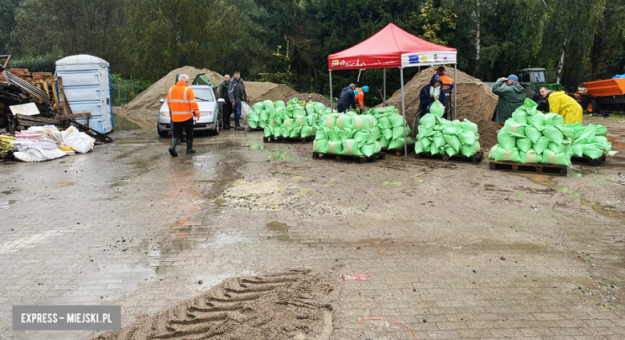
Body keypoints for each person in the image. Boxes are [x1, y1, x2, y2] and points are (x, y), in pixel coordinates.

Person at [166, 74, 200, 157]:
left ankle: (172, 147)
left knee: (176, 133)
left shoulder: (171, 89)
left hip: (175, 116)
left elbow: (168, 102)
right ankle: (189, 149)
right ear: (187, 81)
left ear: (178, 80)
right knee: (189, 132)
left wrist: (174, 109)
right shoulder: (188, 90)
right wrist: (197, 113)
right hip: (187, 116)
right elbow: (193, 103)